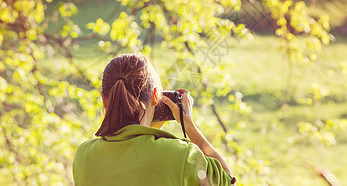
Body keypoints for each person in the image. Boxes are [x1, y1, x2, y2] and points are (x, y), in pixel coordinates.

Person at [73, 53, 235, 185]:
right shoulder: (181, 156)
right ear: (156, 96)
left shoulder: (83, 156)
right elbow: (229, 181)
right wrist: (189, 126)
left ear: (104, 100)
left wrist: (150, 130)